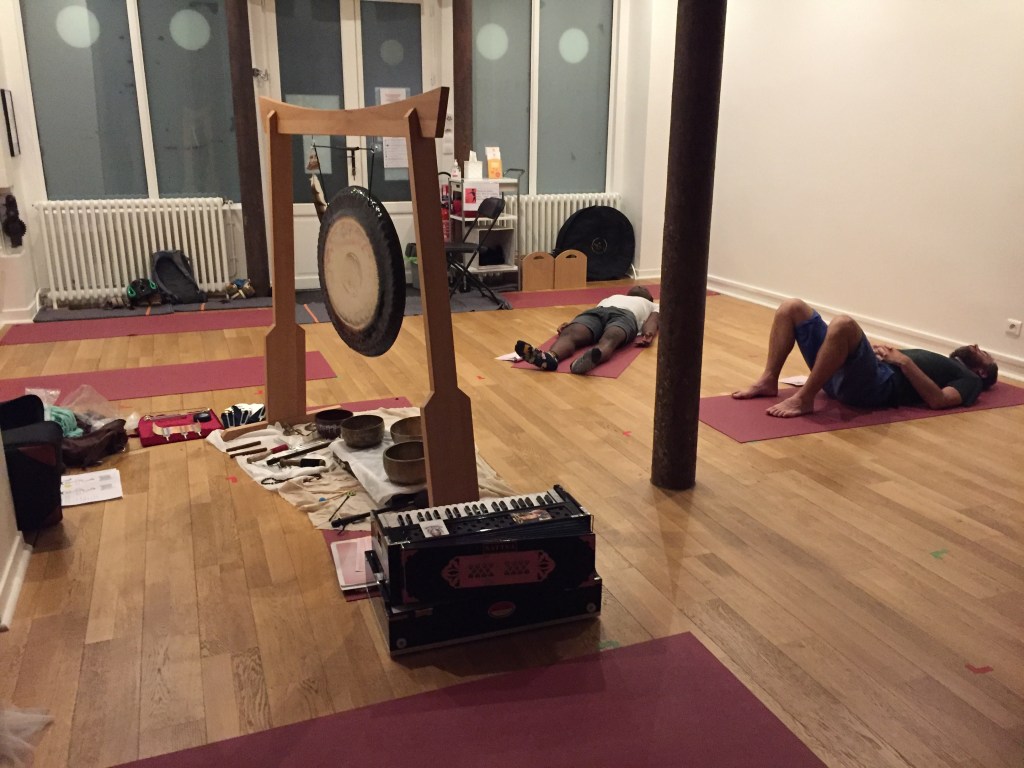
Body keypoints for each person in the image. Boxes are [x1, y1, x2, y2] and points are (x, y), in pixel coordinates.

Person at [732, 298, 998, 418]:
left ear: (983, 372)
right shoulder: (946, 363)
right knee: (792, 307)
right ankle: (768, 379)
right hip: (863, 375)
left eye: (982, 352)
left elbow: (939, 401)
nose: (975, 345)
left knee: (844, 323)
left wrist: (903, 361)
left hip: (878, 388)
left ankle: (805, 398)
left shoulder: (970, 379)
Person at [515, 286, 660, 375]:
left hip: (626, 316)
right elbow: (587, 317)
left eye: (644, 289)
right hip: (598, 311)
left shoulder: (652, 305)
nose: (641, 286)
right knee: (572, 332)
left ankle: (586, 361)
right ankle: (550, 357)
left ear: (650, 298)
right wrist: (571, 323)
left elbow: (653, 319)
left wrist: (649, 333)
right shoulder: (614, 296)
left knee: (611, 338)